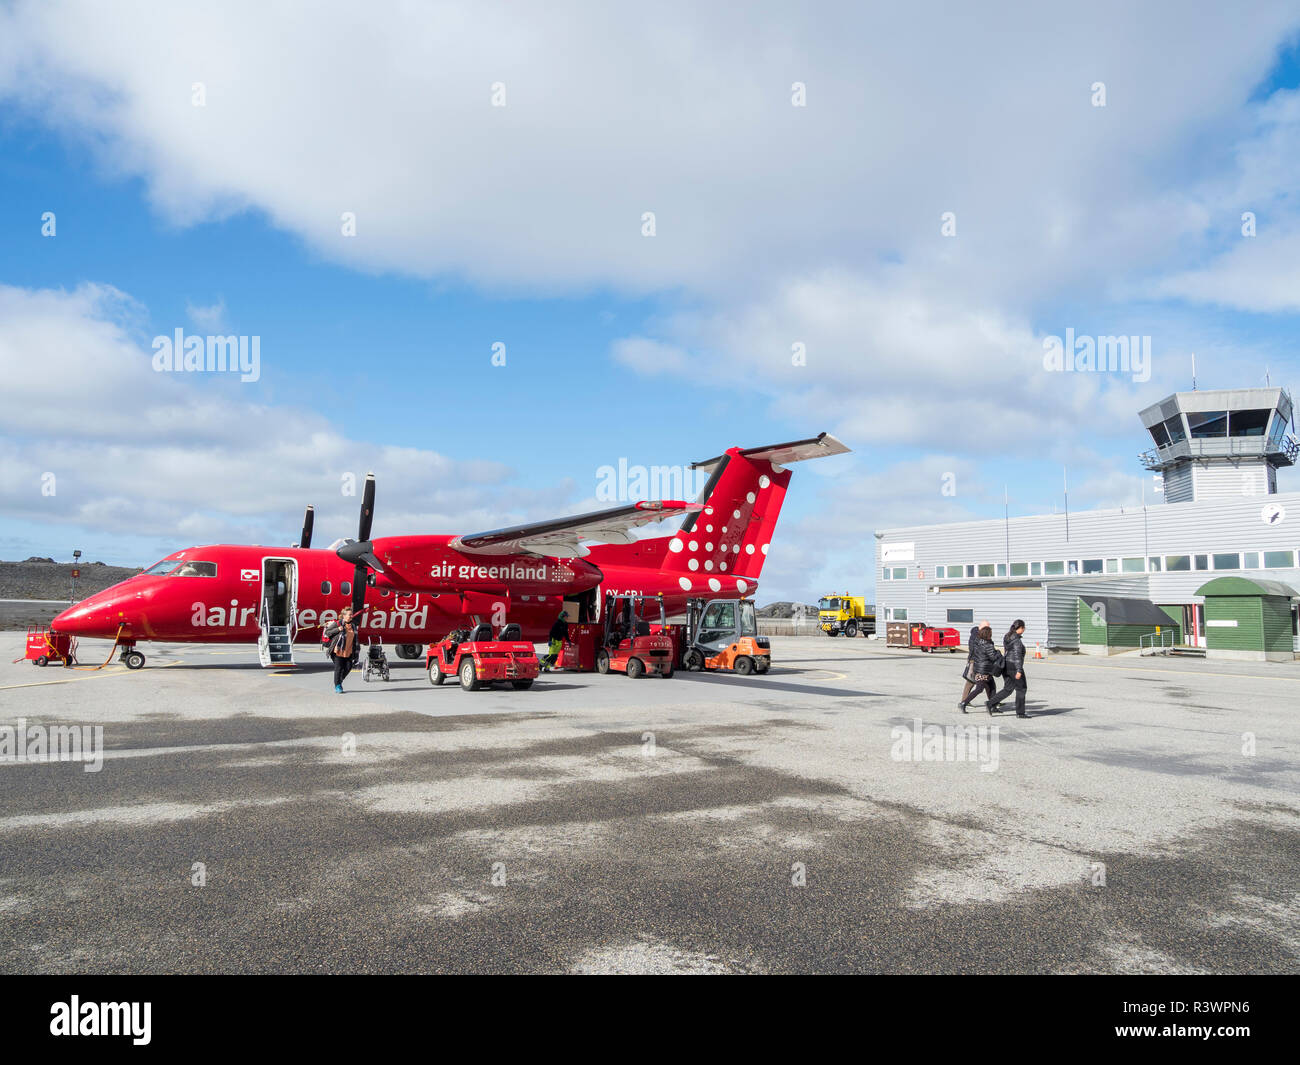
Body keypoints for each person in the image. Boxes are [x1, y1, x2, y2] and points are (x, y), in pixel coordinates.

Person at [988, 619, 1028, 718]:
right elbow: (1017, 656)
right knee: (1021, 689)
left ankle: (990, 703)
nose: (1024, 629)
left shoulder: (1007, 636)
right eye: (1023, 628)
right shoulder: (1017, 641)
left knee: (1008, 688)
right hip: (1014, 666)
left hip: (1006, 665)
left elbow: (1007, 652)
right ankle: (1020, 713)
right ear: (1020, 628)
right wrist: (1019, 670)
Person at [958, 624, 1001, 713]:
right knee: (979, 689)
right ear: (988, 634)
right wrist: (998, 652)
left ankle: (992, 706)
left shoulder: (978, 642)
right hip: (984, 670)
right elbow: (993, 657)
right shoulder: (988, 644)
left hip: (979, 669)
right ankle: (964, 703)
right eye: (991, 633)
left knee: (992, 687)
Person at [326, 607, 358, 693]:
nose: (351, 616)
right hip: (337, 651)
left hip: (349, 651)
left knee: (348, 667)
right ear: (344, 616)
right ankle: (338, 686)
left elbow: (355, 640)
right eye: (349, 614)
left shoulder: (353, 626)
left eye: (352, 614)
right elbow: (327, 632)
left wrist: (356, 652)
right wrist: (337, 629)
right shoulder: (338, 623)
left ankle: (339, 681)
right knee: (338, 669)